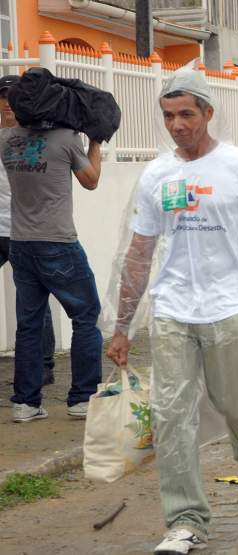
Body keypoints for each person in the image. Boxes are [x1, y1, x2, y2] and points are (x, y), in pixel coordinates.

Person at [106, 68, 238, 554]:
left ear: (207, 113)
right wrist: (121, 325)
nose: (176, 124)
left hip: (231, 308)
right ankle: (185, 520)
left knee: (236, 405)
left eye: (186, 114)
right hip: (173, 308)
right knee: (171, 415)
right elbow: (138, 252)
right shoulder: (157, 174)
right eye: (168, 116)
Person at [1, 77, 103, 423]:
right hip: (59, 244)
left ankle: (25, 403)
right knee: (86, 316)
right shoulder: (67, 140)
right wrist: (96, 143)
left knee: (28, 325)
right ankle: (83, 398)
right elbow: (91, 181)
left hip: (21, 245)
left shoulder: (7, 141)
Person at [0, 75, 56, 390]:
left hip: (25, 230)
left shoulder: (33, 136)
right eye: (3, 97)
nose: (8, 103)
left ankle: (44, 366)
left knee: (34, 299)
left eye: (13, 97)